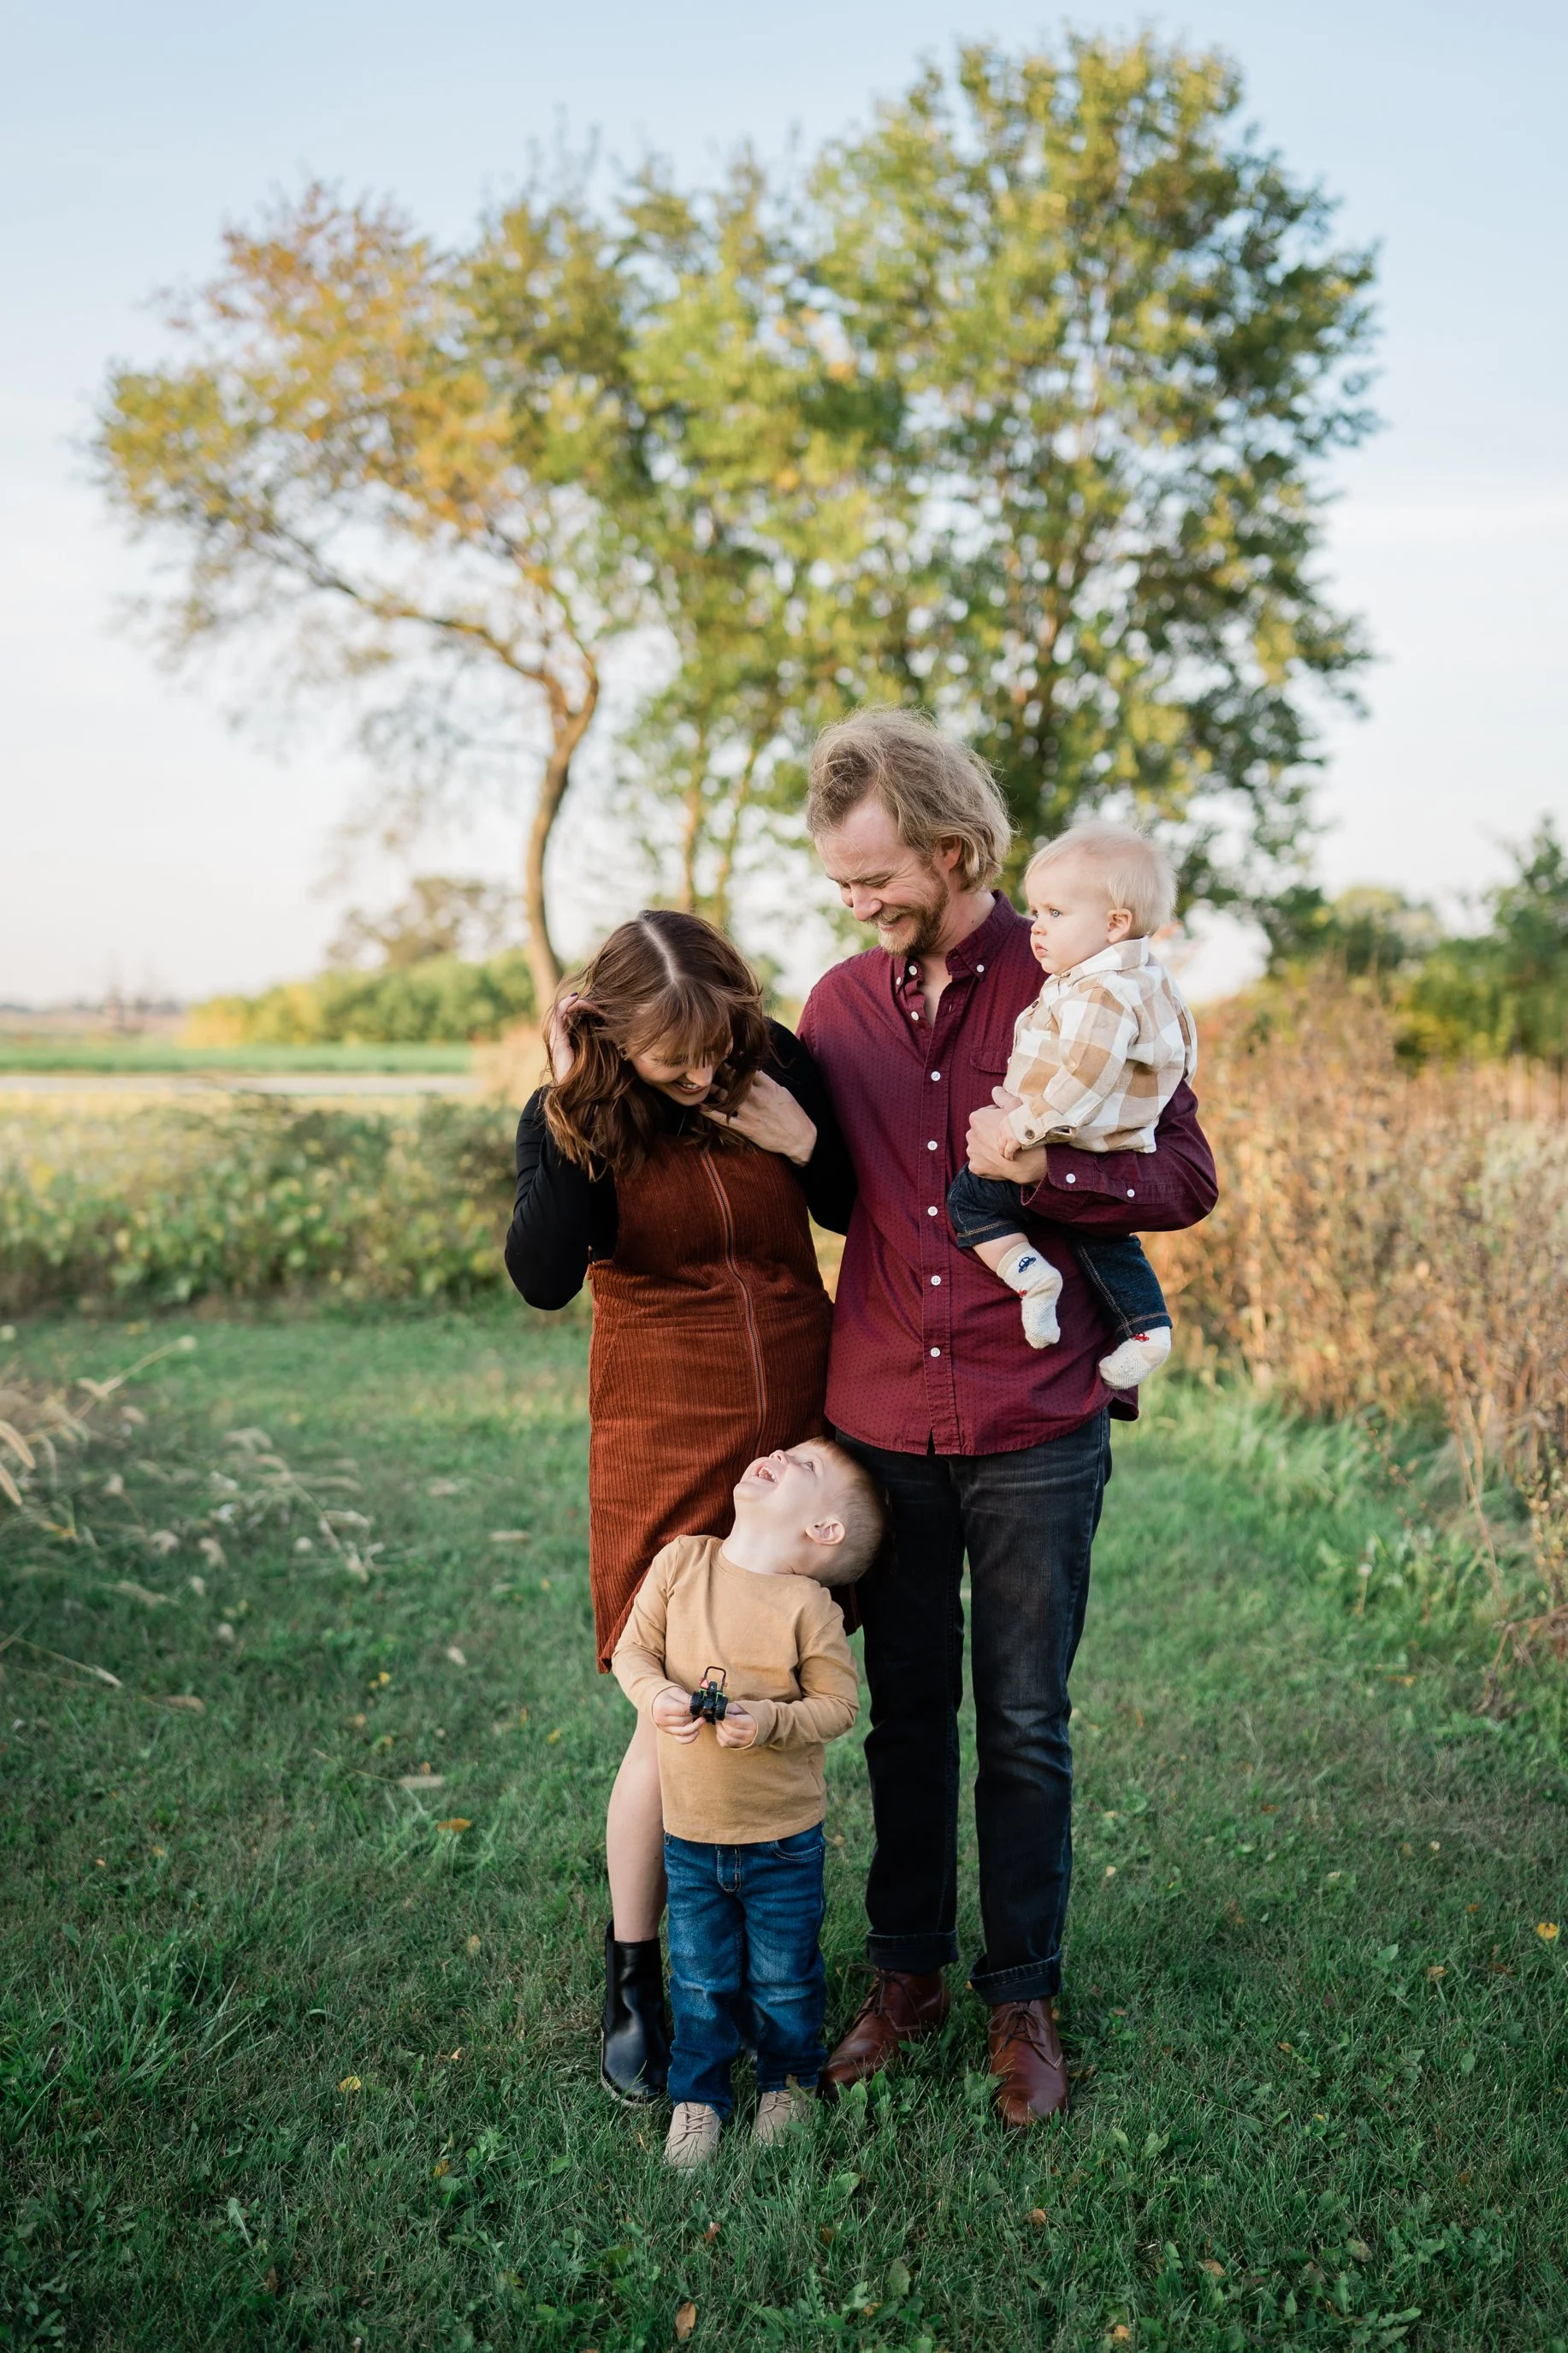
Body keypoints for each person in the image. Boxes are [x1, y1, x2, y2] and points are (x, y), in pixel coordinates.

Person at [797, 707, 1217, 2127]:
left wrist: (1044, 1180)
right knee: (904, 1715)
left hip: (1035, 1412)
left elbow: (1183, 1178)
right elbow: (836, 1190)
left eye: (874, 878)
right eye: (840, 882)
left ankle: (1020, 1996)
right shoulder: (836, 1006)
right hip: (880, 1414)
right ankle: (903, 1975)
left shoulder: (1085, 977)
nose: (856, 904)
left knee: (1026, 1721)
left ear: (953, 850)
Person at [504, 911, 855, 2104]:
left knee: (770, 1681)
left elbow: (854, 1206)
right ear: (606, 1035)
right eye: (674, 1060)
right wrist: (568, 1107)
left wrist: (804, 1138)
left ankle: (759, 1951)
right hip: (664, 1423)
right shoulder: (573, 1112)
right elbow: (543, 1276)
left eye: (718, 1048)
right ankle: (635, 1974)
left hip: (797, 1428)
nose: (705, 1076)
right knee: (672, 1710)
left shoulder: (774, 1059)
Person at [612, 1439, 885, 2166]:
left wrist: (768, 1721)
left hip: (781, 1838)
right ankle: (697, 2098)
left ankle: (785, 2084)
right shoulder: (681, 1563)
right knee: (698, 1977)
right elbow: (633, 1651)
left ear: (823, 1529)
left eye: (805, 1465)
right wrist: (656, 1695)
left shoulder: (809, 1608)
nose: (778, 1453)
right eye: (788, 1450)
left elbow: (838, 1706)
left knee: (784, 1977)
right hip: (690, 1832)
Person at [944, 818, 1198, 1390]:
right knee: (1102, 1235)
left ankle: (1031, 1275)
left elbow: (1085, 1075)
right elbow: (1183, 1051)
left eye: (1055, 913)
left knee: (969, 1200)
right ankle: (1146, 1329)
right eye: (1035, 911)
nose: (1036, 928)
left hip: (1065, 1133)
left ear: (1114, 923)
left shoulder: (1098, 992)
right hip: (1110, 1139)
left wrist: (1023, 1127)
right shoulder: (1146, 979)